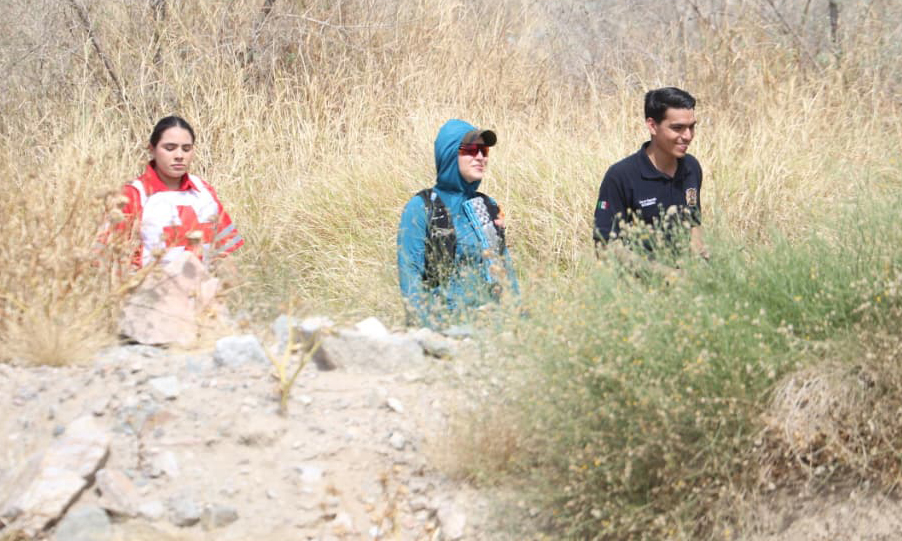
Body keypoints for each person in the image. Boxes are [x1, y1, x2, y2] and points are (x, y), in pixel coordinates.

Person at [397, 119, 519, 328]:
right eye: (471, 150)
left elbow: (504, 269)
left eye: (484, 150)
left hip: (490, 327)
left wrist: (518, 320)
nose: (480, 157)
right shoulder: (421, 207)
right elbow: (410, 274)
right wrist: (432, 332)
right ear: (450, 154)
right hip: (443, 326)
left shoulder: (487, 206)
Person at [593, 87, 708, 265]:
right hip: (641, 287)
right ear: (652, 126)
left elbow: (693, 220)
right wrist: (663, 275)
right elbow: (605, 247)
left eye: (691, 127)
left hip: (688, 284)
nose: (687, 136)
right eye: (677, 128)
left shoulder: (691, 168)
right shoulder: (621, 176)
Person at [117, 116, 243, 269]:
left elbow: (224, 256)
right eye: (170, 148)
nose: (179, 156)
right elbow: (108, 260)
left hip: (204, 289)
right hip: (149, 289)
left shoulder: (204, 191)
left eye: (186, 149)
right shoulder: (133, 195)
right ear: (152, 150)